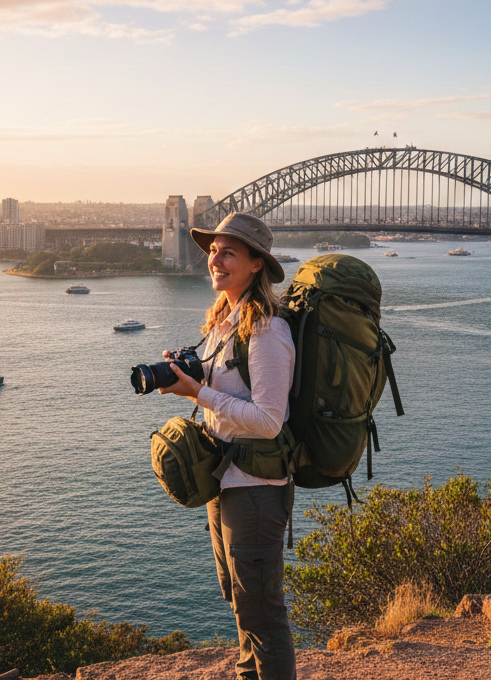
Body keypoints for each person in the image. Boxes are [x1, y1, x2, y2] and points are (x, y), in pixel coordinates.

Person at [158, 212, 296, 680]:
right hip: (225, 482)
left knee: (262, 613)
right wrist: (188, 375)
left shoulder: (267, 331)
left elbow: (270, 420)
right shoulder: (224, 322)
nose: (214, 259)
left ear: (257, 264)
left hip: (256, 490)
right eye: (213, 250)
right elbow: (228, 396)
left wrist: (199, 393)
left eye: (229, 252)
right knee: (240, 600)